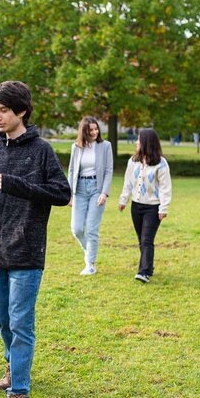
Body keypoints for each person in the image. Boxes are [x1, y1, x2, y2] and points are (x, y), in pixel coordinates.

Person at [0, 81, 71, 398]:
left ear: (21, 111)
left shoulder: (41, 151)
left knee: (20, 322)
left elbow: (61, 193)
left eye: (2, 111)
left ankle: (19, 394)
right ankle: (12, 366)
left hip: (27, 253)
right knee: (1, 318)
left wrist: (19, 187)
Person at [118, 128, 172, 284]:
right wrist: (123, 200)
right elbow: (128, 183)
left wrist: (163, 208)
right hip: (136, 206)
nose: (136, 142)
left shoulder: (161, 164)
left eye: (139, 139)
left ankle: (143, 272)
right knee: (141, 240)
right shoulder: (133, 161)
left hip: (153, 207)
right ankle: (148, 268)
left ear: (147, 142)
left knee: (147, 239)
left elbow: (165, 188)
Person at [67, 116, 113, 275]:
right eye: (90, 130)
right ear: (84, 131)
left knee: (91, 229)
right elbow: (72, 170)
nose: (94, 132)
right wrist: (69, 194)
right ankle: (89, 252)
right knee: (77, 229)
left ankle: (90, 264)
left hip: (96, 189)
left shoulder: (105, 146)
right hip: (79, 189)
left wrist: (104, 193)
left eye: (96, 129)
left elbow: (108, 170)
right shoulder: (76, 147)